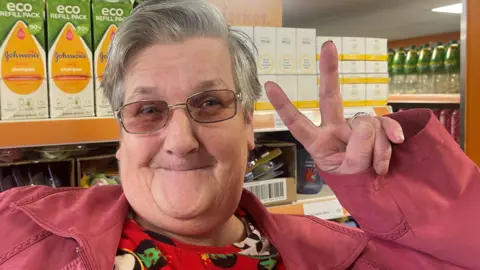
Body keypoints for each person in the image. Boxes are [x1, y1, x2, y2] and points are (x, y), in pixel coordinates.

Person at [0, 1, 479, 269]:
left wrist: (387, 188)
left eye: (210, 103)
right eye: (147, 110)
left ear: (249, 124)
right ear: (121, 134)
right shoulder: (20, 231)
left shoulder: (340, 257)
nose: (181, 140)